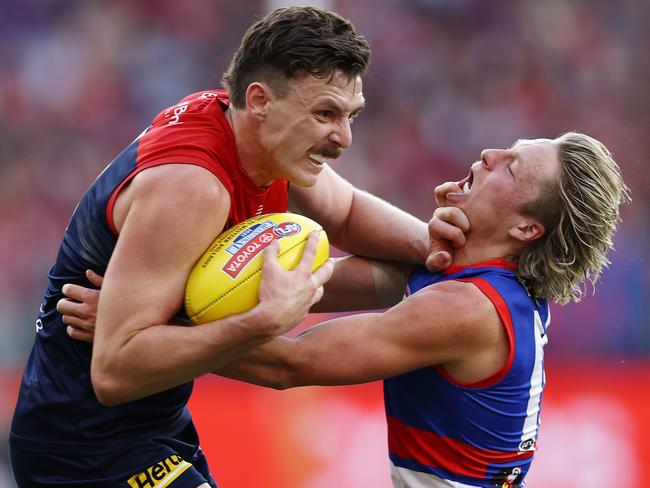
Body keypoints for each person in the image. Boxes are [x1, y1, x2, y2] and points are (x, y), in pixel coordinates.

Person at [9, 6, 442, 488]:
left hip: (153, 426)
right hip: (84, 450)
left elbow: (345, 215)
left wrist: (442, 252)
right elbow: (116, 371)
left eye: (350, 115)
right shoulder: (193, 187)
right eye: (325, 113)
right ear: (259, 99)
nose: (343, 137)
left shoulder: (253, 137)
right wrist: (261, 322)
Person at [58, 132, 630, 487]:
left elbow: (293, 364)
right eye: (507, 146)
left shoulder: (468, 309)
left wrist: (143, 324)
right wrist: (154, 287)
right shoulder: (480, 278)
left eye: (511, 166)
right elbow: (313, 279)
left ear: (526, 228)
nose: (490, 153)